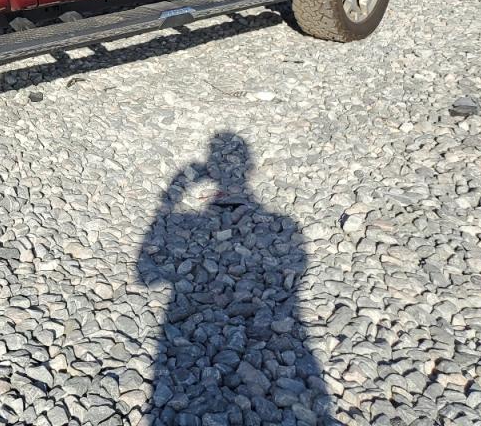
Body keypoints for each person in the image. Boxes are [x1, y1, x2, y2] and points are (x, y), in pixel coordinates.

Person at [137, 132, 335, 425]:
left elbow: (145, 276)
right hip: (294, 337)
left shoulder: (278, 223)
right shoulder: (284, 224)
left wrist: (169, 204)